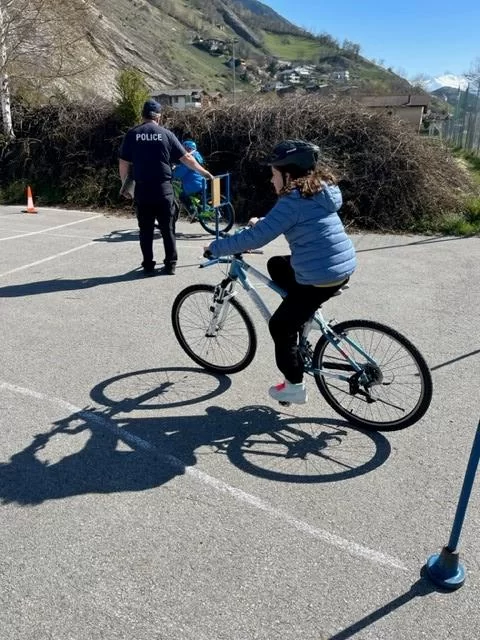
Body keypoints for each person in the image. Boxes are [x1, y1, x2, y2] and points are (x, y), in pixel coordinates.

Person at [205, 139, 356, 405]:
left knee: (280, 326)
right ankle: (303, 313)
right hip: (339, 266)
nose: (271, 179)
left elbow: (256, 239)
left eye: (274, 173)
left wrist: (215, 248)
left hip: (320, 276)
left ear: (288, 174)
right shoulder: (318, 190)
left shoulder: (292, 200)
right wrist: (263, 222)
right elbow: (292, 219)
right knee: (276, 264)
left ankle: (294, 386)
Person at [119, 100, 214, 276]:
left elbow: (124, 162)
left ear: (142, 115)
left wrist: (125, 186)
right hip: (163, 189)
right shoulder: (166, 134)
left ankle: (148, 265)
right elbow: (187, 158)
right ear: (159, 117)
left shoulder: (132, 134)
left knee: (145, 231)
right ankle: (170, 265)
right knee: (168, 229)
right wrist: (204, 172)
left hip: (142, 190)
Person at [172, 139, 206, 216]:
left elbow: (182, 171)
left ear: (189, 149)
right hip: (201, 182)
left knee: (182, 196)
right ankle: (199, 214)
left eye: (184, 149)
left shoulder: (189, 159)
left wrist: (172, 175)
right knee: (198, 202)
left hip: (193, 184)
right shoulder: (197, 156)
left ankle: (192, 212)